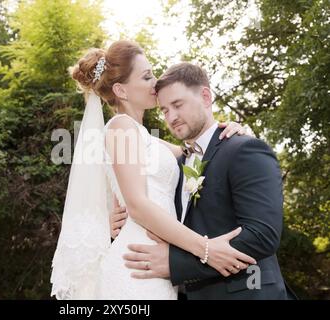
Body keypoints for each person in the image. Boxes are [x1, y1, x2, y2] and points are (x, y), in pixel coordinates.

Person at [51, 40, 254, 300]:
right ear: (121, 90)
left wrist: (231, 132)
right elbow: (136, 205)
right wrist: (205, 248)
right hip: (135, 265)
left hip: (156, 265)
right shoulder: (119, 128)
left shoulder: (149, 139)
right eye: (147, 76)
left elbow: (201, 152)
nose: (155, 83)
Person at [113, 61, 297, 299]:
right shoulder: (174, 168)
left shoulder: (244, 149)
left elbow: (262, 235)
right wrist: (113, 223)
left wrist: (175, 263)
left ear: (206, 96)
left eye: (178, 105)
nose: (172, 117)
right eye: (165, 110)